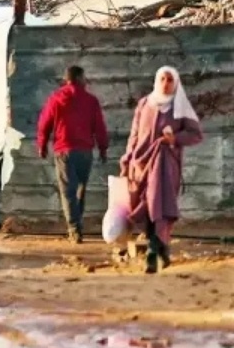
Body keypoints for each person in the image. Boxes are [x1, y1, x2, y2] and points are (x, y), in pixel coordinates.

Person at [120, 67, 203, 274]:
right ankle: (162, 249)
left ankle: (151, 251)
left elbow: (196, 134)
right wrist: (128, 156)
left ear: (176, 83)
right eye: (163, 79)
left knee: (158, 201)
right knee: (144, 204)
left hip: (166, 164)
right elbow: (135, 133)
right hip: (141, 163)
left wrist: (175, 139)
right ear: (157, 80)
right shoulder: (144, 104)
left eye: (170, 80)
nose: (166, 84)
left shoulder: (180, 107)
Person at [36, 65, 110, 243]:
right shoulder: (91, 100)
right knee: (79, 190)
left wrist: (42, 144)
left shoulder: (56, 98)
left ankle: (74, 229)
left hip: (64, 150)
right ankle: (76, 226)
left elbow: (44, 123)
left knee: (67, 191)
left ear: (67, 79)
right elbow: (99, 127)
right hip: (85, 152)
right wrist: (103, 148)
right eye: (84, 77)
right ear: (79, 78)